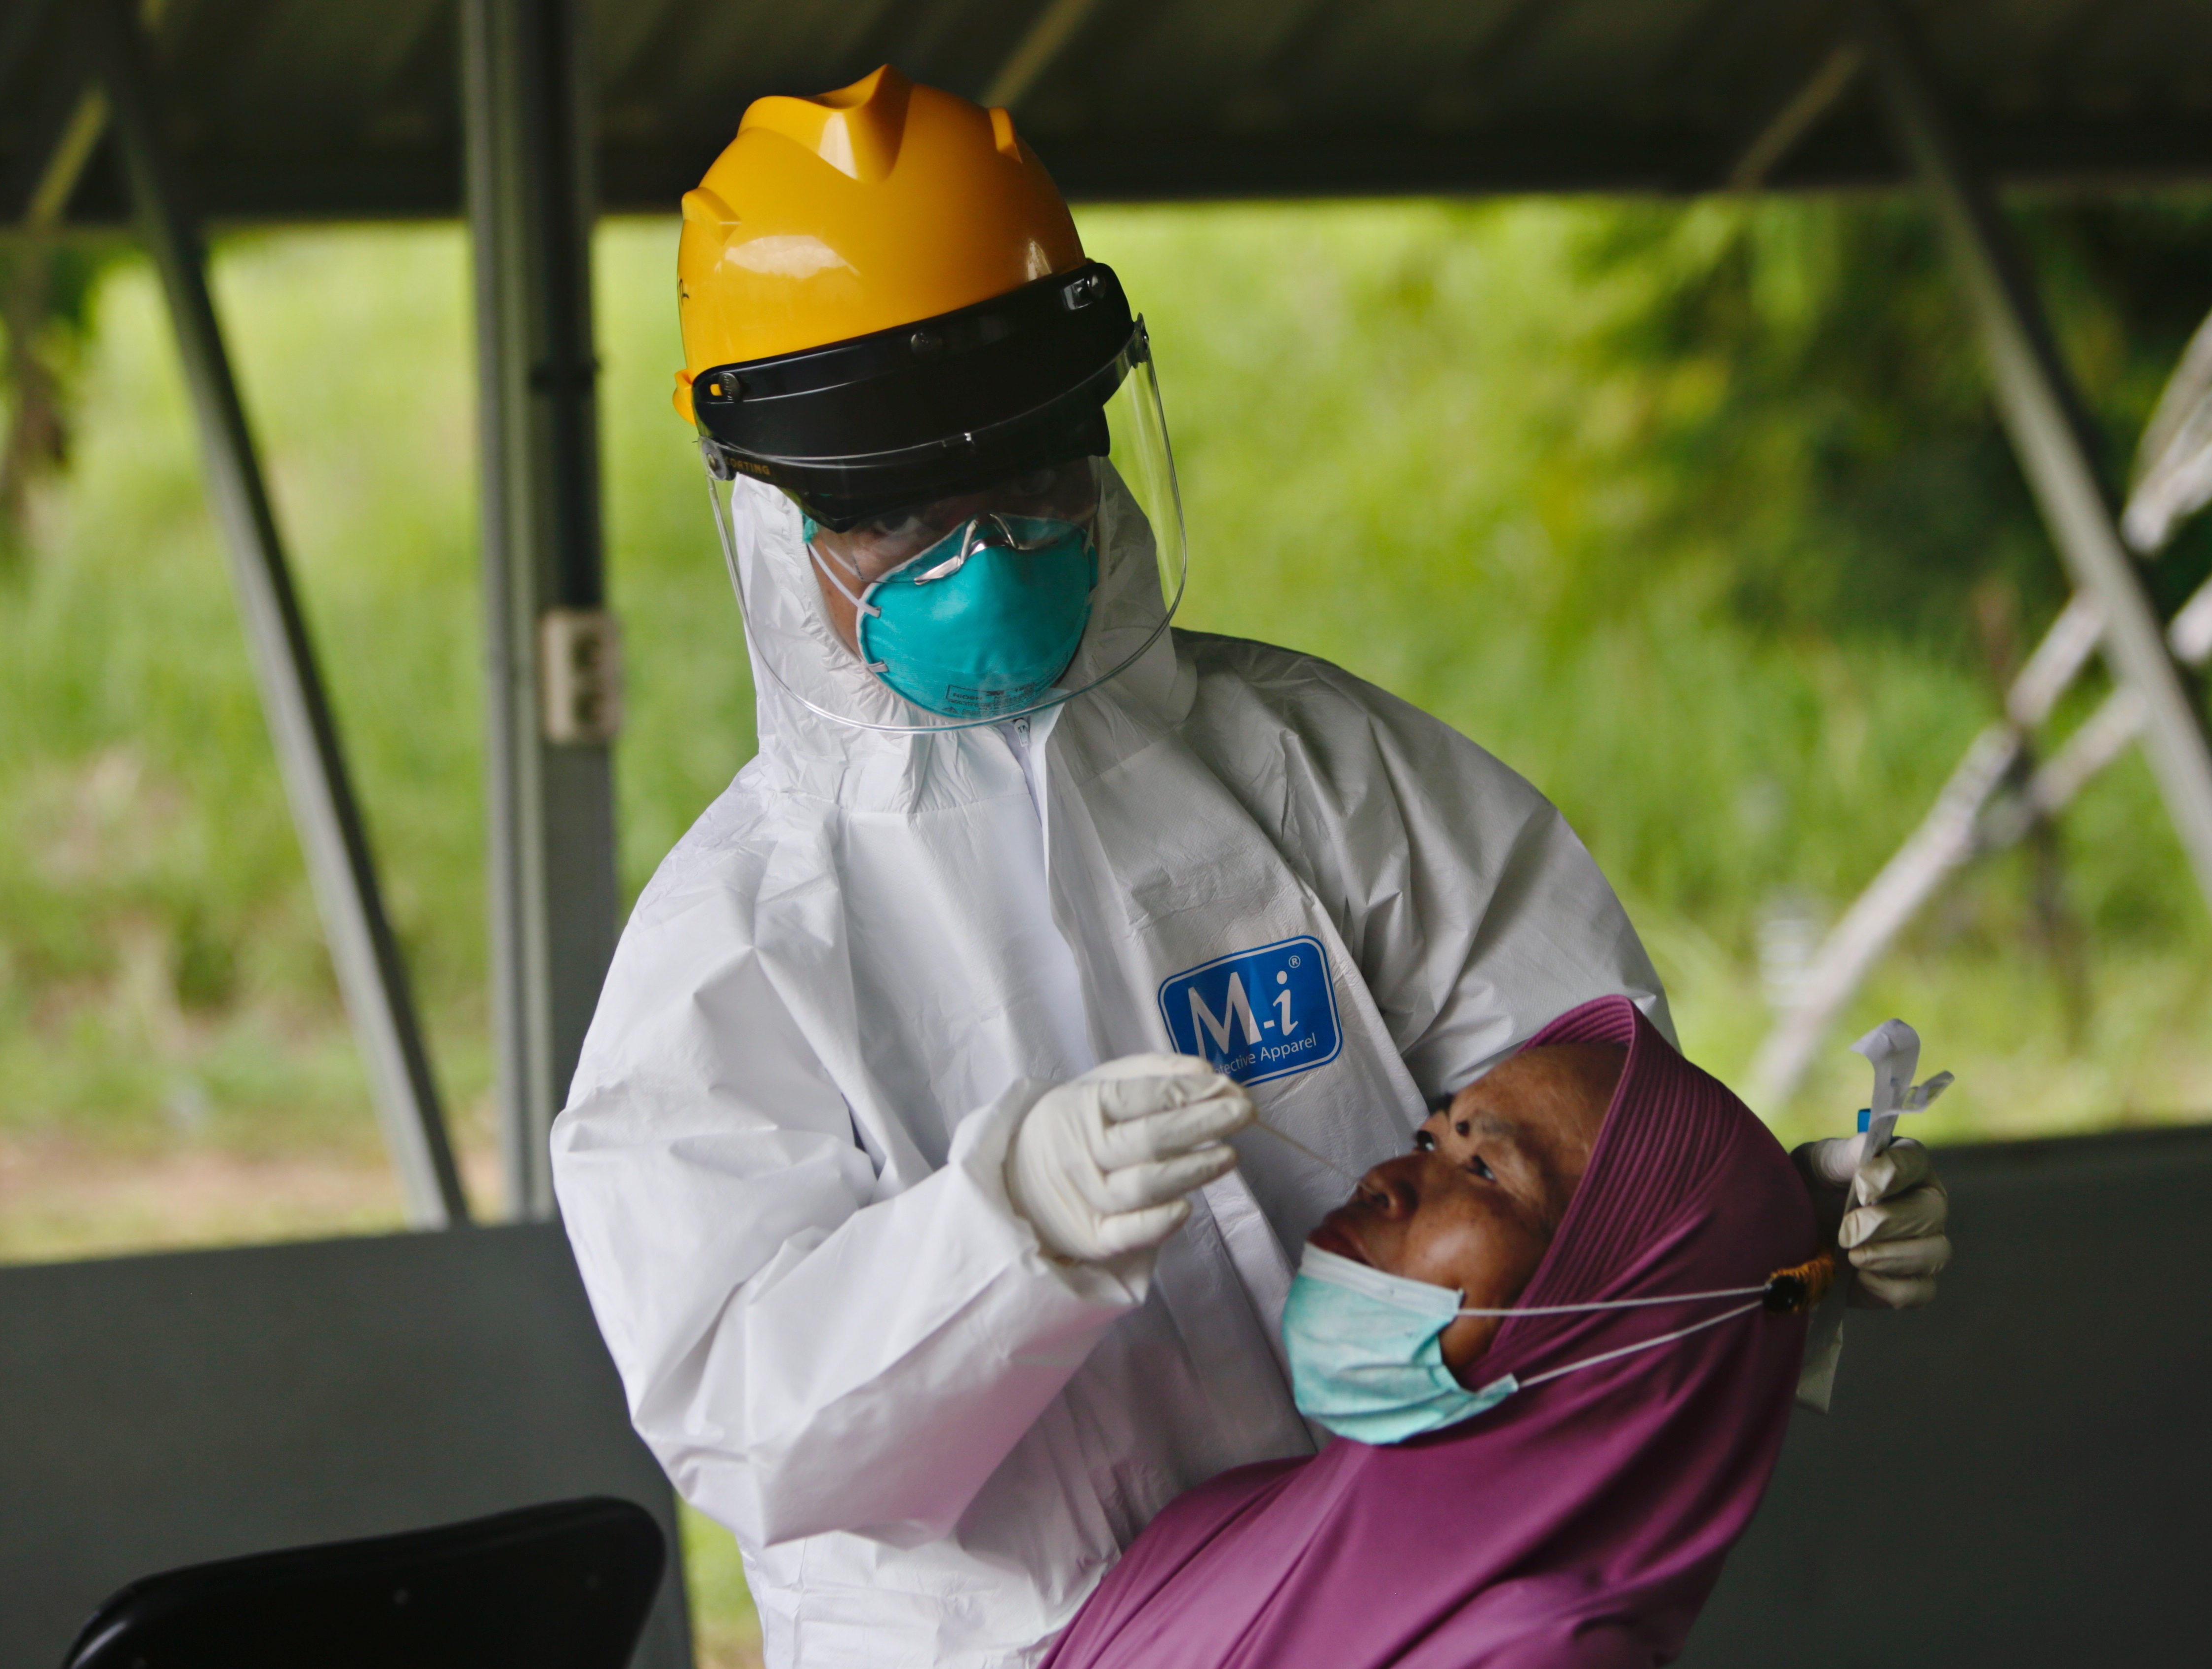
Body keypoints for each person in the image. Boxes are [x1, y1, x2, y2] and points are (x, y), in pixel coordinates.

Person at [551, 65, 1951, 1669]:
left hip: (1392, 1593)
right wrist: (1001, 1234)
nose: (986, 551)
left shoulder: (1322, 776)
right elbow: (749, 1426)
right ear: (771, 515)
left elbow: (1576, 1132)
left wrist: (1754, 1228)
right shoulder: (737, 949)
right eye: (903, 518)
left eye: (1020, 480)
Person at [1044, 994, 1817, 1669]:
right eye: (1430, 1141)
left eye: (1483, 1171)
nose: (1384, 1181)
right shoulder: (1207, 1526)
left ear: (1624, 1316)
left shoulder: (1541, 1652)